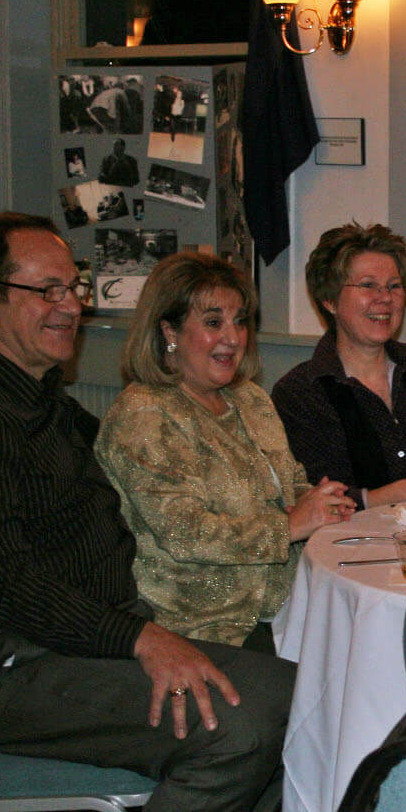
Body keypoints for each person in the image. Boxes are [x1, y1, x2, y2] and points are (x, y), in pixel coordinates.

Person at [0, 213, 294, 812]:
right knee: (238, 725)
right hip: (4, 665)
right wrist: (143, 638)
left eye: (72, 288)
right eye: (46, 291)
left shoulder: (42, 403)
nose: (70, 305)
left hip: (81, 636)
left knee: (295, 688)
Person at [97, 251, 354, 648]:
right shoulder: (145, 414)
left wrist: (322, 503)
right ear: (169, 331)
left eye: (240, 322)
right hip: (202, 627)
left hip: (285, 606)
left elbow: (291, 483)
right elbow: (186, 533)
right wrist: (291, 525)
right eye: (213, 322)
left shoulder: (249, 399)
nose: (232, 338)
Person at [273, 222, 406, 510]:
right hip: (355, 545)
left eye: (394, 286)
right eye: (368, 285)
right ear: (330, 300)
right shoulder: (301, 391)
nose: (385, 298)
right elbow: (322, 500)